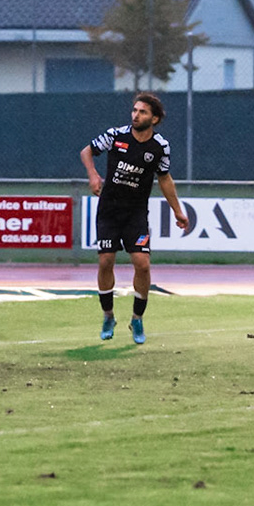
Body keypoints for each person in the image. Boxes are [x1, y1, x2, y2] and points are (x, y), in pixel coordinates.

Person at [79, 91, 189, 344]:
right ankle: (108, 315)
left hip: (136, 213)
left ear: (155, 119)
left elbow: (164, 178)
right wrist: (93, 175)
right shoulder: (116, 135)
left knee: (142, 264)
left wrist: (177, 211)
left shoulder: (160, 146)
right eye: (135, 110)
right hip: (109, 210)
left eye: (142, 112)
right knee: (106, 261)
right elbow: (86, 151)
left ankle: (137, 319)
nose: (136, 115)